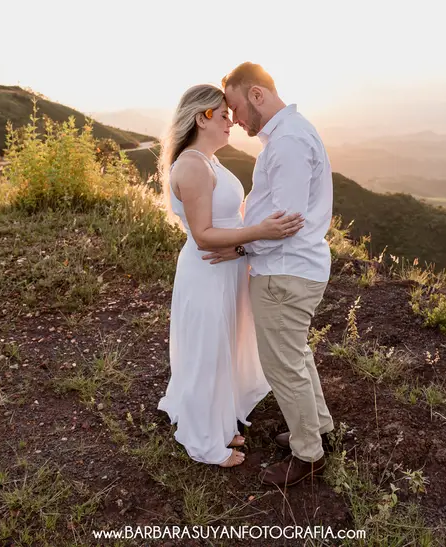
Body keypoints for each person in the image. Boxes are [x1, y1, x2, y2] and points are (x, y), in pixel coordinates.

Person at [157, 84, 305, 468]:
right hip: (208, 272)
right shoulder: (191, 165)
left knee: (225, 346)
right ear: (200, 118)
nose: (232, 123)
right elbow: (204, 235)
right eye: (223, 116)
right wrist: (260, 233)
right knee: (208, 350)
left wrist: (246, 245)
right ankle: (204, 440)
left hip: (228, 269)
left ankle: (219, 421)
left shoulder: (209, 161)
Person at [205, 62, 335, 486]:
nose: (236, 120)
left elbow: (287, 220)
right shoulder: (288, 135)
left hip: (285, 270)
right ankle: (318, 429)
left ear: (258, 95)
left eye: (238, 108)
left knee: (282, 366)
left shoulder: (289, 141)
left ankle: (308, 454)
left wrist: (241, 244)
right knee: (295, 355)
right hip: (290, 267)